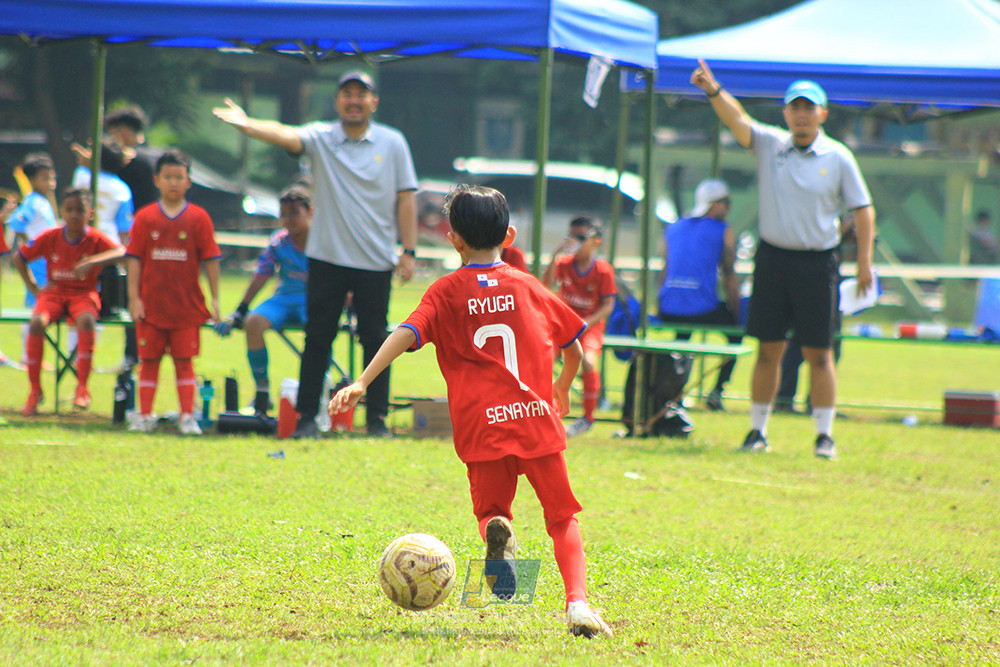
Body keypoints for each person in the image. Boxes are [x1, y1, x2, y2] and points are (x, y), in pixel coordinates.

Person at [329, 184, 612, 638]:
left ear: (453, 238)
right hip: (536, 419)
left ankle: (500, 540)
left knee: (492, 512)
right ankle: (577, 605)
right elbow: (574, 348)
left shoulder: (445, 292)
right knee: (561, 518)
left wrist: (362, 382)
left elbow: (404, 334)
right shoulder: (529, 286)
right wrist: (561, 386)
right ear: (511, 235)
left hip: (482, 428)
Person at [213, 70, 418, 439]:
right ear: (337, 101)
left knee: (376, 338)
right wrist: (247, 126)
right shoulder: (323, 137)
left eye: (361, 94)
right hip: (327, 259)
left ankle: (377, 421)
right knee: (318, 338)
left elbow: (406, 199)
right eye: (347, 94)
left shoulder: (393, 142)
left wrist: (409, 250)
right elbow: (285, 133)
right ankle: (307, 418)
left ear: (374, 102)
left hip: (375, 260)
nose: (354, 100)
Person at [690, 60, 875, 460]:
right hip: (773, 258)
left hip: (818, 262)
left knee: (819, 352)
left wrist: (864, 261)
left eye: (810, 108)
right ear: (786, 113)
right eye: (796, 107)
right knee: (769, 349)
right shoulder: (772, 144)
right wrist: (712, 88)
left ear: (823, 114)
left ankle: (824, 436)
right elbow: (737, 119)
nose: (802, 114)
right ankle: (757, 430)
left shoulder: (839, 156)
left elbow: (863, 208)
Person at [125, 150, 222, 435]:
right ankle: (144, 416)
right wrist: (134, 298)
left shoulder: (199, 218)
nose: (173, 183)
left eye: (179, 177)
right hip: (151, 307)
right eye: (168, 177)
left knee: (184, 363)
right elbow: (133, 258)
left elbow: (211, 259)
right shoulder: (144, 217)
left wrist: (215, 299)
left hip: (186, 307)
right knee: (149, 362)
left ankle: (187, 416)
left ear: (189, 181)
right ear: (157, 180)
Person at [13, 188, 124, 414]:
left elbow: (123, 252)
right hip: (54, 292)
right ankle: (35, 390)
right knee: (36, 323)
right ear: (62, 212)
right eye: (69, 210)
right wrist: (33, 287)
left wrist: (92, 261)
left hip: (83, 293)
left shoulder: (95, 238)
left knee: (86, 320)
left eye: (80, 210)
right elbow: (19, 257)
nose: (74, 215)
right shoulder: (52, 236)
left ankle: (82, 388)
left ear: (90, 213)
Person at [213, 185, 311, 416]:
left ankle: (314, 393)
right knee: (254, 323)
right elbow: (261, 275)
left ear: (311, 212)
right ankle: (262, 392)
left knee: (319, 330)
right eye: (284, 214)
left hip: (315, 299)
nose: (289, 219)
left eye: (295, 213)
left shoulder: (324, 241)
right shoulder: (279, 242)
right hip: (285, 298)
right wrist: (240, 310)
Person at [657, 178, 742, 411]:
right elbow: (729, 275)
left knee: (681, 341)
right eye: (727, 202)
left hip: (669, 306)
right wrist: (736, 313)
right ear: (714, 205)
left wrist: (660, 304)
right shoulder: (724, 231)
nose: (729, 207)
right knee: (736, 338)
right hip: (701, 309)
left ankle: (674, 394)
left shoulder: (673, 227)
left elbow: (665, 269)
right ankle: (716, 392)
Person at [541, 215, 616, 437]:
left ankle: (587, 418)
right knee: (543, 358)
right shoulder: (563, 264)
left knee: (589, 362)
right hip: (564, 325)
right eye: (571, 237)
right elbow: (545, 286)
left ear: (596, 241)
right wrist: (555, 255)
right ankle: (545, 411)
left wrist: (584, 324)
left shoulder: (603, 270)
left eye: (581, 237)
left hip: (589, 327)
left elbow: (607, 306)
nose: (575, 242)